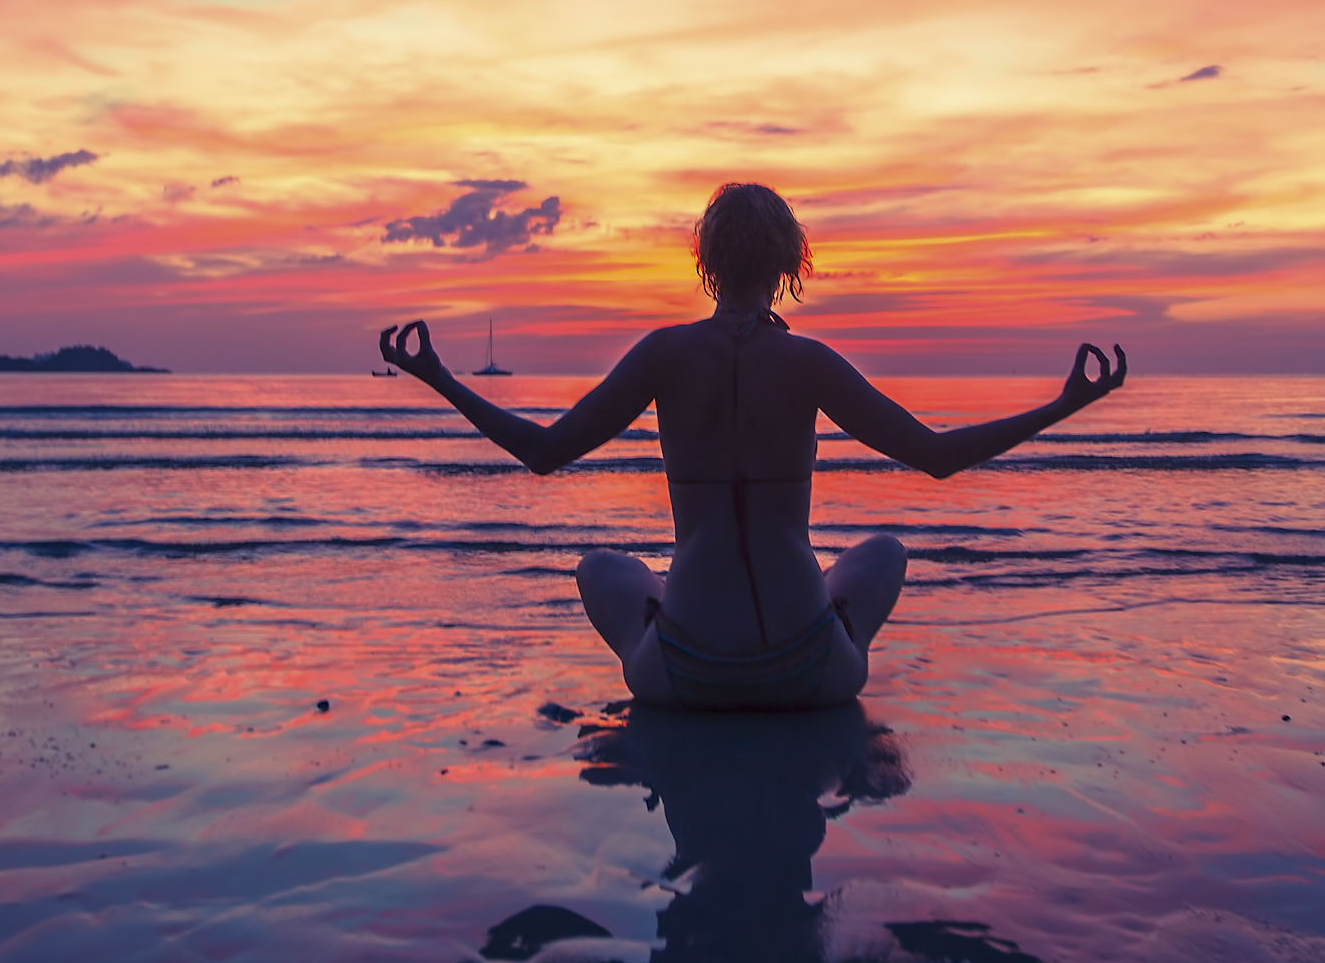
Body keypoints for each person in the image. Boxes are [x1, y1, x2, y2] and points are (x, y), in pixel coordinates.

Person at [376, 181, 1127, 708]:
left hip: (684, 677)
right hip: (812, 676)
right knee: (886, 551)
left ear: (706, 264)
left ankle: (671, 617)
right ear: (788, 264)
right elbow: (937, 456)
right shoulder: (809, 364)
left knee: (604, 567)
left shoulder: (664, 353)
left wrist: (439, 375)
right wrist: (1062, 405)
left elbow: (542, 451)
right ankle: (829, 632)